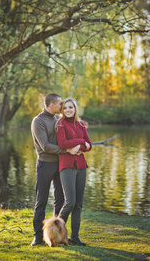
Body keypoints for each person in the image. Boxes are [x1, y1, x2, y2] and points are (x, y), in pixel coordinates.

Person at [30, 93, 66, 246]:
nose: (62, 105)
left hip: (60, 164)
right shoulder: (38, 121)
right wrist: (67, 149)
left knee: (61, 201)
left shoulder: (58, 119)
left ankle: (59, 236)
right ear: (51, 105)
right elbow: (45, 146)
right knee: (41, 201)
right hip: (45, 165)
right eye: (60, 103)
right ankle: (38, 237)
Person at [56, 98, 92, 246]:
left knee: (78, 204)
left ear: (75, 108)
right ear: (62, 110)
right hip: (67, 166)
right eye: (65, 108)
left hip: (81, 166)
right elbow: (62, 143)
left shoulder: (81, 124)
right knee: (70, 202)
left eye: (71, 107)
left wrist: (80, 145)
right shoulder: (61, 124)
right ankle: (54, 231)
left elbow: (89, 145)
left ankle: (74, 237)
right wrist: (80, 142)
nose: (68, 110)